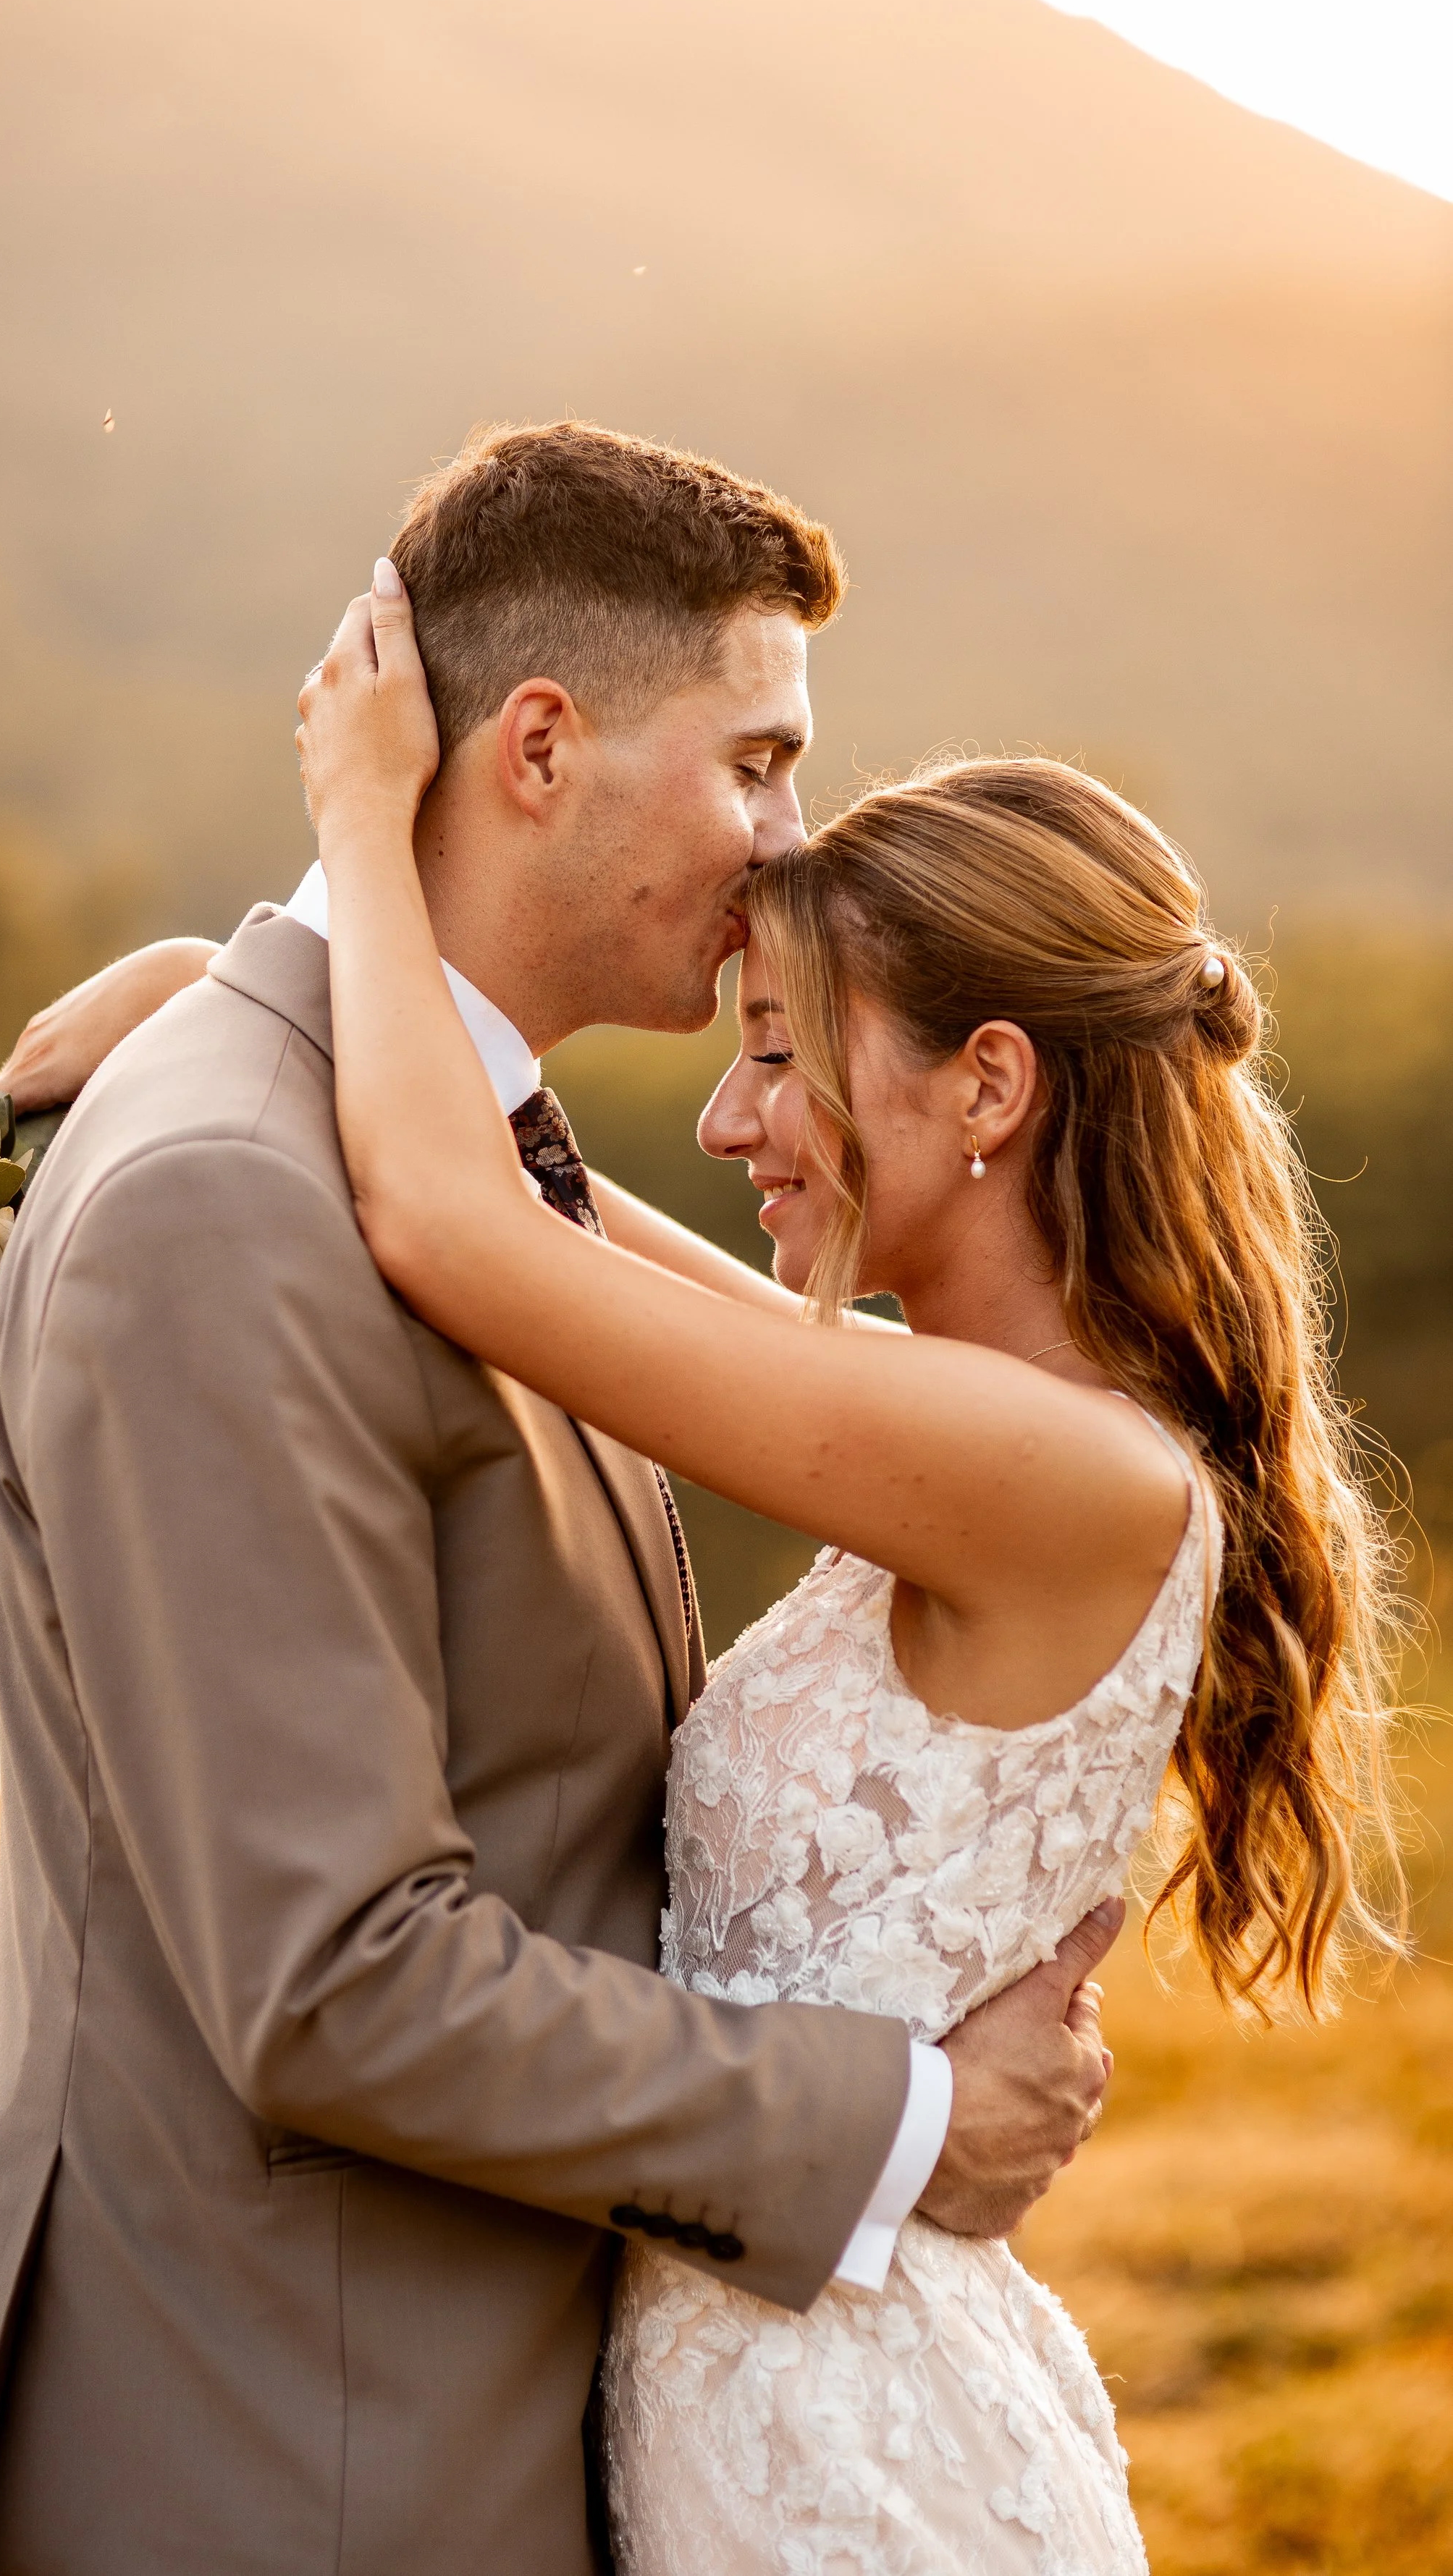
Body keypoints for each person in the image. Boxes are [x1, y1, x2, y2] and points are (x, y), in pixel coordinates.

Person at [0, 425, 1121, 2576]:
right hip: (317, 2463)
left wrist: (233, 948)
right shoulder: (234, 1203)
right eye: (754, 758)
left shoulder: (432, 1144)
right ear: (538, 745)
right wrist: (905, 2118)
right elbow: (341, 1981)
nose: (785, 840)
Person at [287, 557, 1403, 2572]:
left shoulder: (1040, 1465)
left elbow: (461, 1232)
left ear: (985, 1084)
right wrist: (226, 996)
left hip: (853, 2469)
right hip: (773, 2402)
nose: (730, 1112)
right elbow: (547, 1198)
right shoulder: (971, 1412)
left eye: (784, 1051)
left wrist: (360, 823)